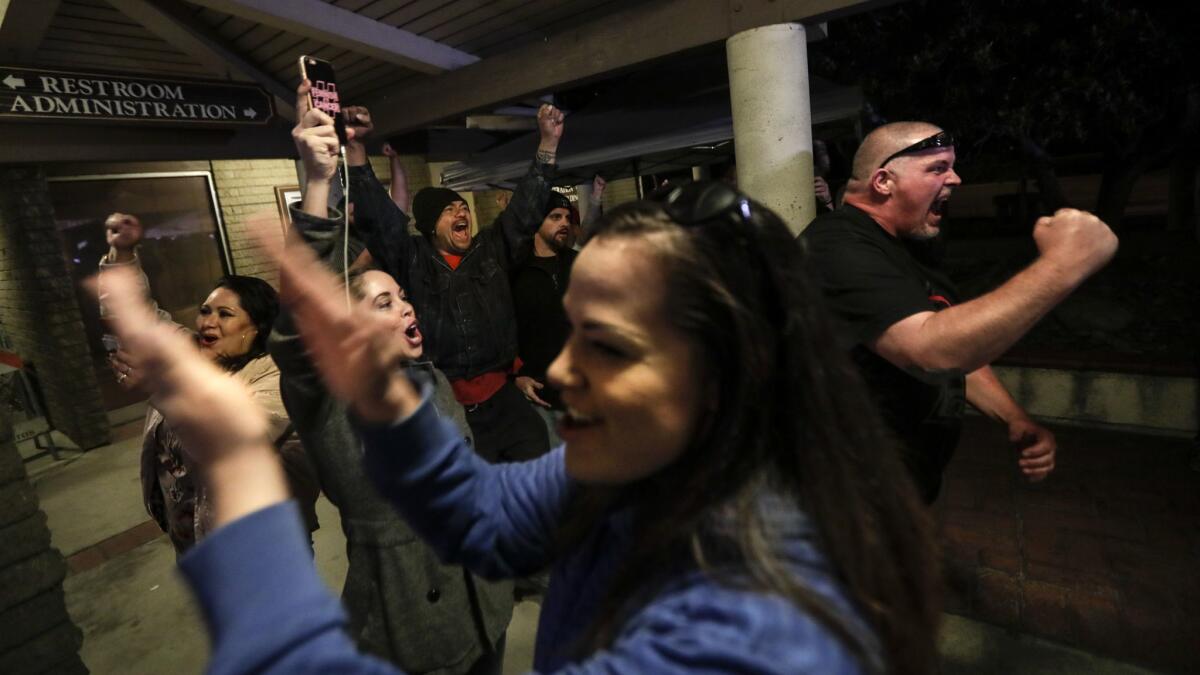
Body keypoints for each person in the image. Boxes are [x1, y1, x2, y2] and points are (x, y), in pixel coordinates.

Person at [104, 180, 944, 674]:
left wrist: (243, 489)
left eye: (609, 346)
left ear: (736, 373)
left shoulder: (755, 618)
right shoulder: (637, 463)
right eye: (572, 330)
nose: (563, 370)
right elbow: (477, 511)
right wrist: (388, 399)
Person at [272, 95, 513, 672]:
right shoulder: (335, 399)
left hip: (484, 603)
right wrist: (317, 179)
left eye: (403, 297)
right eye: (385, 302)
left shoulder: (431, 379)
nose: (407, 308)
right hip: (412, 623)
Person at [802, 122, 1119, 503]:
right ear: (884, 181)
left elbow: (952, 336)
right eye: (937, 168)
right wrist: (1063, 266)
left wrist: (1012, 416)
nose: (955, 178)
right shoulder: (835, 244)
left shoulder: (912, 247)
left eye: (951, 166)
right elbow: (931, 349)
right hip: (845, 494)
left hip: (900, 488)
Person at [306, 86, 559, 464]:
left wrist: (548, 145)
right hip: (447, 404)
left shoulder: (490, 249)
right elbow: (380, 218)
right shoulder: (411, 258)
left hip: (503, 398)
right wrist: (356, 149)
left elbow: (526, 209)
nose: (462, 213)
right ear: (428, 226)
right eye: (449, 210)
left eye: (463, 207)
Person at [98, 213, 319, 555]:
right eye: (205, 310)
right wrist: (122, 253)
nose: (207, 322)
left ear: (257, 327)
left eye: (225, 314)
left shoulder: (278, 377)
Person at [511, 190, 576, 442]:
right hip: (540, 393)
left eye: (567, 218)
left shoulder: (579, 263)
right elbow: (502, 328)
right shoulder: (513, 272)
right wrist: (515, 376)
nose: (564, 223)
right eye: (555, 217)